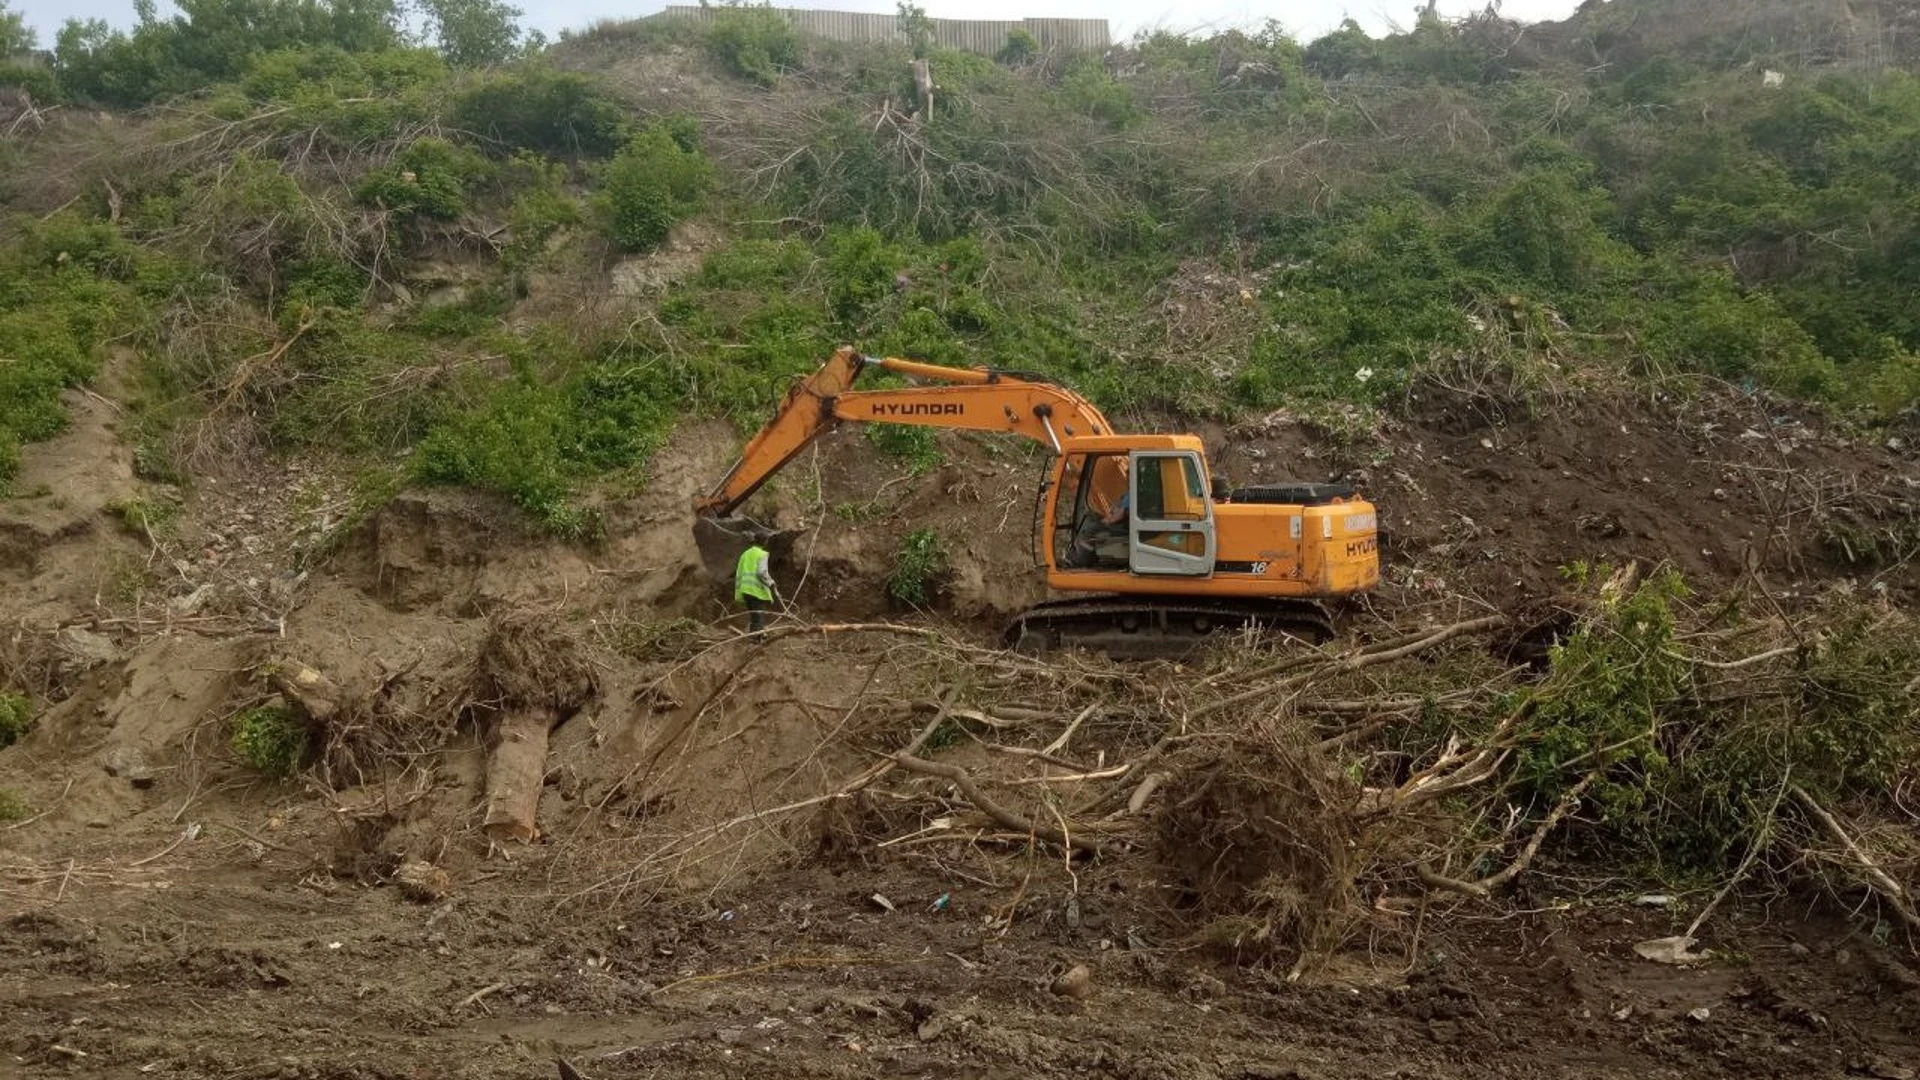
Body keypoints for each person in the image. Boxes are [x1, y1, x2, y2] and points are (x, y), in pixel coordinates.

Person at [1069, 489, 1129, 568]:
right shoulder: (1129, 493)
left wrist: (1106, 521)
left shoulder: (1133, 493)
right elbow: (1117, 509)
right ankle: (1085, 555)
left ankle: (1081, 561)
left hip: (1123, 527)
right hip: (1121, 524)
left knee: (1091, 529)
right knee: (1093, 519)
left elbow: (1120, 515)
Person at [734, 535, 776, 632]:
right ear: (764, 542)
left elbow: (739, 572)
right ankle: (757, 638)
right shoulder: (762, 554)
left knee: (754, 616)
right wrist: (771, 583)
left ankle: (754, 636)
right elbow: (762, 572)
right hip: (755, 591)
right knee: (759, 616)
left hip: (745, 590)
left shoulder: (745, 554)